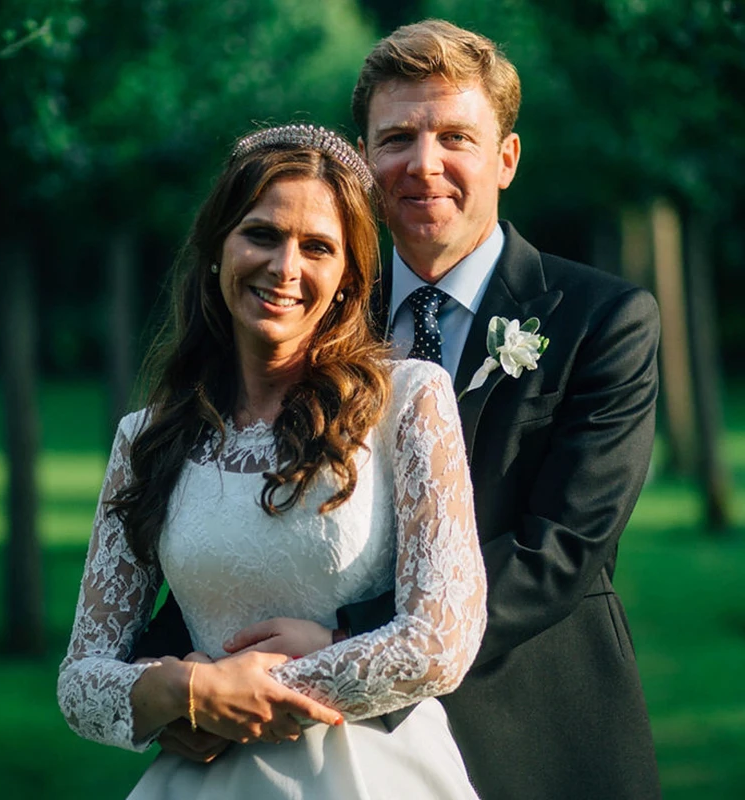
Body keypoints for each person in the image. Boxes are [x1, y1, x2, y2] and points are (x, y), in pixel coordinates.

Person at [136, 19, 663, 800]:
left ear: (506, 158)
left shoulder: (604, 319)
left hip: (535, 730)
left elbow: (560, 548)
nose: (425, 165)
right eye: (397, 138)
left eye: (456, 136)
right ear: (363, 160)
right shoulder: (307, 312)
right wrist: (182, 674)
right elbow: (245, 516)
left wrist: (350, 642)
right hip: (324, 755)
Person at [57, 123, 487, 799]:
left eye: (317, 247)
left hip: (369, 775)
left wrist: (245, 696)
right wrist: (183, 688)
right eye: (261, 234)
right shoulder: (146, 439)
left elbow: (442, 638)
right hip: (202, 780)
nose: (285, 268)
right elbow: (81, 678)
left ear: (348, 278)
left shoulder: (409, 401)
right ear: (216, 249)